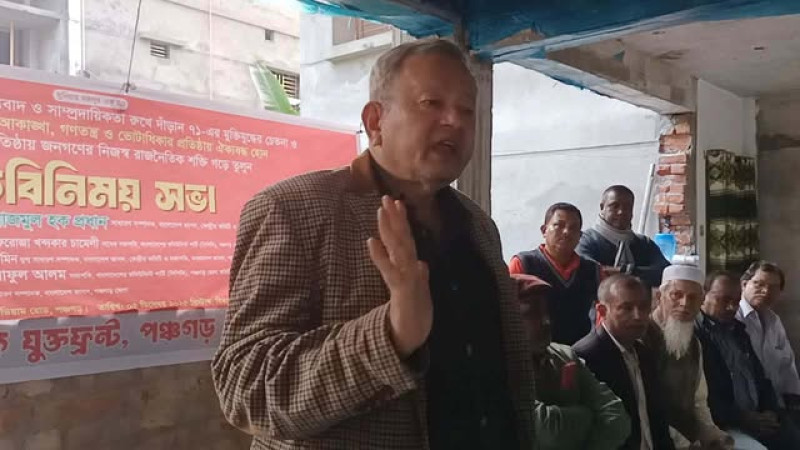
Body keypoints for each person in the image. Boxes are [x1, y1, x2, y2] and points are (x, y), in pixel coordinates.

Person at [212, 39, 535, 449]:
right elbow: (244, 388)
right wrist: (391, 334)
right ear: (375, 121)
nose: (455, 120)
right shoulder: (293, 209)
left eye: (467, 110)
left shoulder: (479, 226)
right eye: (431, 103)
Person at [512, 273, 630, 450]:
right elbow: (549, 430)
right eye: (531, 313)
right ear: (508, 320)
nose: (546, 321)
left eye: (546, 311)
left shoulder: (564, 355)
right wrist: (588, 415)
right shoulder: (499, 369)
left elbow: (618, 418)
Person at [697, 271, 800, 450]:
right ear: (703, 295)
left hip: (758, 415)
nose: (731, 307)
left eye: (736, 301)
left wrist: (771, 411)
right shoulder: (696, 334)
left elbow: (760, 377)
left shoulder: (738, 331)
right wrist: (742, 418)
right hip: (724, 422)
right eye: (724, 300)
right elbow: (705, 398)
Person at [574, 274, 676, 450]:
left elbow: (656, 418)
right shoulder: (586, 356)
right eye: (626, 308)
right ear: (602, 311)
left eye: (643, 307)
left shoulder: (644, 353)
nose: (638, 316)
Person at [644, 265, 733, 450]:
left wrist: (712, 435)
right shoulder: (641, 339)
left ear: (701, 302)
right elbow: (644, 410)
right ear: (659, 297)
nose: (685, 303)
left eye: (692, 298)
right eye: (676, 295)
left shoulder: (694, 344)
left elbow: (699, 402)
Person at [509, 203, 602, 345]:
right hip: (537, 349)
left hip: (581, 350)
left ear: (580, 236)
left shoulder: (593, 270)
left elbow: (603, 315)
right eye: (559, 225)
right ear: (544, 230)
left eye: (573, 228)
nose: (566, 232)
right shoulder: (523, 263)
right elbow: (509, 312)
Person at [577, 185, 670, 288]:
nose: (621, 212)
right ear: (602, 207)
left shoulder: (644, 243)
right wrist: (641, 273)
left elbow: (665, 272)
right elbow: (588, 271)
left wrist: (623, 271)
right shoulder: (585, 240)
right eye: (615, 206)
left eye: (627, 207)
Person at [737, 261, 800, 410]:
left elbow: (787, 365)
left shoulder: (773, 320)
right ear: (744, 284)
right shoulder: (734, 317)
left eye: (774, 287)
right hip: (746, 408)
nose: (766, 291)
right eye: (759, 284)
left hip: (777, 405)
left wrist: (793, 400)